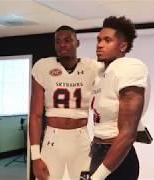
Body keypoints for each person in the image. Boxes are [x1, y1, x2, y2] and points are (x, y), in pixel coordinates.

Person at [29, 25, 102, 180]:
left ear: (77, 43)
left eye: (68, 40)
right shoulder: (43, 67)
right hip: (53, 139)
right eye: (58, 41)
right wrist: (35, 156)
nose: (62, 44)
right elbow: (35, 115)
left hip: (81, 138)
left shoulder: (92, 68)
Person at [89, 16, 150, 180]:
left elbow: (128, 133)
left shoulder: (129, 68)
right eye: (99, 39)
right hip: (99, 148)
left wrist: (97, 177)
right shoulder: (101, 74)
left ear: (123, 46)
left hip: (117, 156)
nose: (99, 45)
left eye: (107, 40)